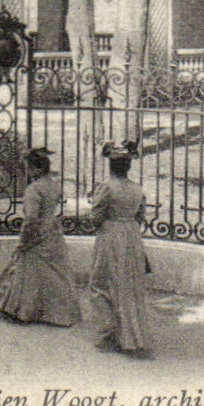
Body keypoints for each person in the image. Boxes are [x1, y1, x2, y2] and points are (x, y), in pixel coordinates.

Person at [0, 147, 80, 327]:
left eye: (28, 168)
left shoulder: (33, 189)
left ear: (35, 169)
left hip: (38, 232)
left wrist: (24, 239)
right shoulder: (53, 185)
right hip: (53, 230)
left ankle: (23, 310)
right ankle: (58, 312)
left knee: (27, 270)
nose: (26, 172)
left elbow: (31, 218)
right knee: (54, 272)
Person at [87, 141, 153, 357]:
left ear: (111, 166)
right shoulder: (137, 189)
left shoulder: (106, 188)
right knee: (128, 285)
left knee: (100, 282)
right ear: (128, 167)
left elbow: (96, 217)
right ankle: (131, 335)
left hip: (111, 235)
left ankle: (109, 330)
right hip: (132, 237)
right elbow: (140, 216)